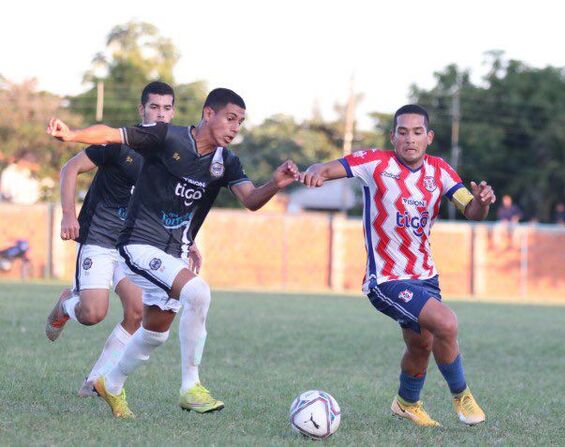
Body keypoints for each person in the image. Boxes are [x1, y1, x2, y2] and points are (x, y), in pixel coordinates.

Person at [47, 88, 299, 418]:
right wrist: (73, 135)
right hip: (136, 244)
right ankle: (190, 387)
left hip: (173, 254)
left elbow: (250, 199)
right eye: (230, 118)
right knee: (198, 292)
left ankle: (111, 382)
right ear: (208, 114)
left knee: (154, 332)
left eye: (240, 122)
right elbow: (110, 134)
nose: (235, 127)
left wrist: (275, 184)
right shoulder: (167, 137)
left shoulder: (225, 162)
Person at [300, 104, 495, 427]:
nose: (410, 139)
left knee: (422, 344)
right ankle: (461, 395)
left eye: (417, 132)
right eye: (402, 132)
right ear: (393, 136)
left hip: (426, 276)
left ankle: (406, 403)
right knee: (446, 323)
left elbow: (471, 210)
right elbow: (329, 166)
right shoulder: (375, 163)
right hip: (386, 279)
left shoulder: (440, 171)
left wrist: (482, 203)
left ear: (429, 137)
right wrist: (317, 171)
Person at [44, 81, 194, 398]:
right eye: (154, 107)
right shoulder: (119, 143)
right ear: (142, 110)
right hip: (99, 235)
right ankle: (66, 305)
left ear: (173, 112)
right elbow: (70, 169)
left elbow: (170, 205)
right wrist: (69, 214)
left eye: (167, 108)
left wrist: (189, 240)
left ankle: (95, 381)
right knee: (92, 314)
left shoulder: (174, 157)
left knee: (138, 312)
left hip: (133, 244)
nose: (161, 114)